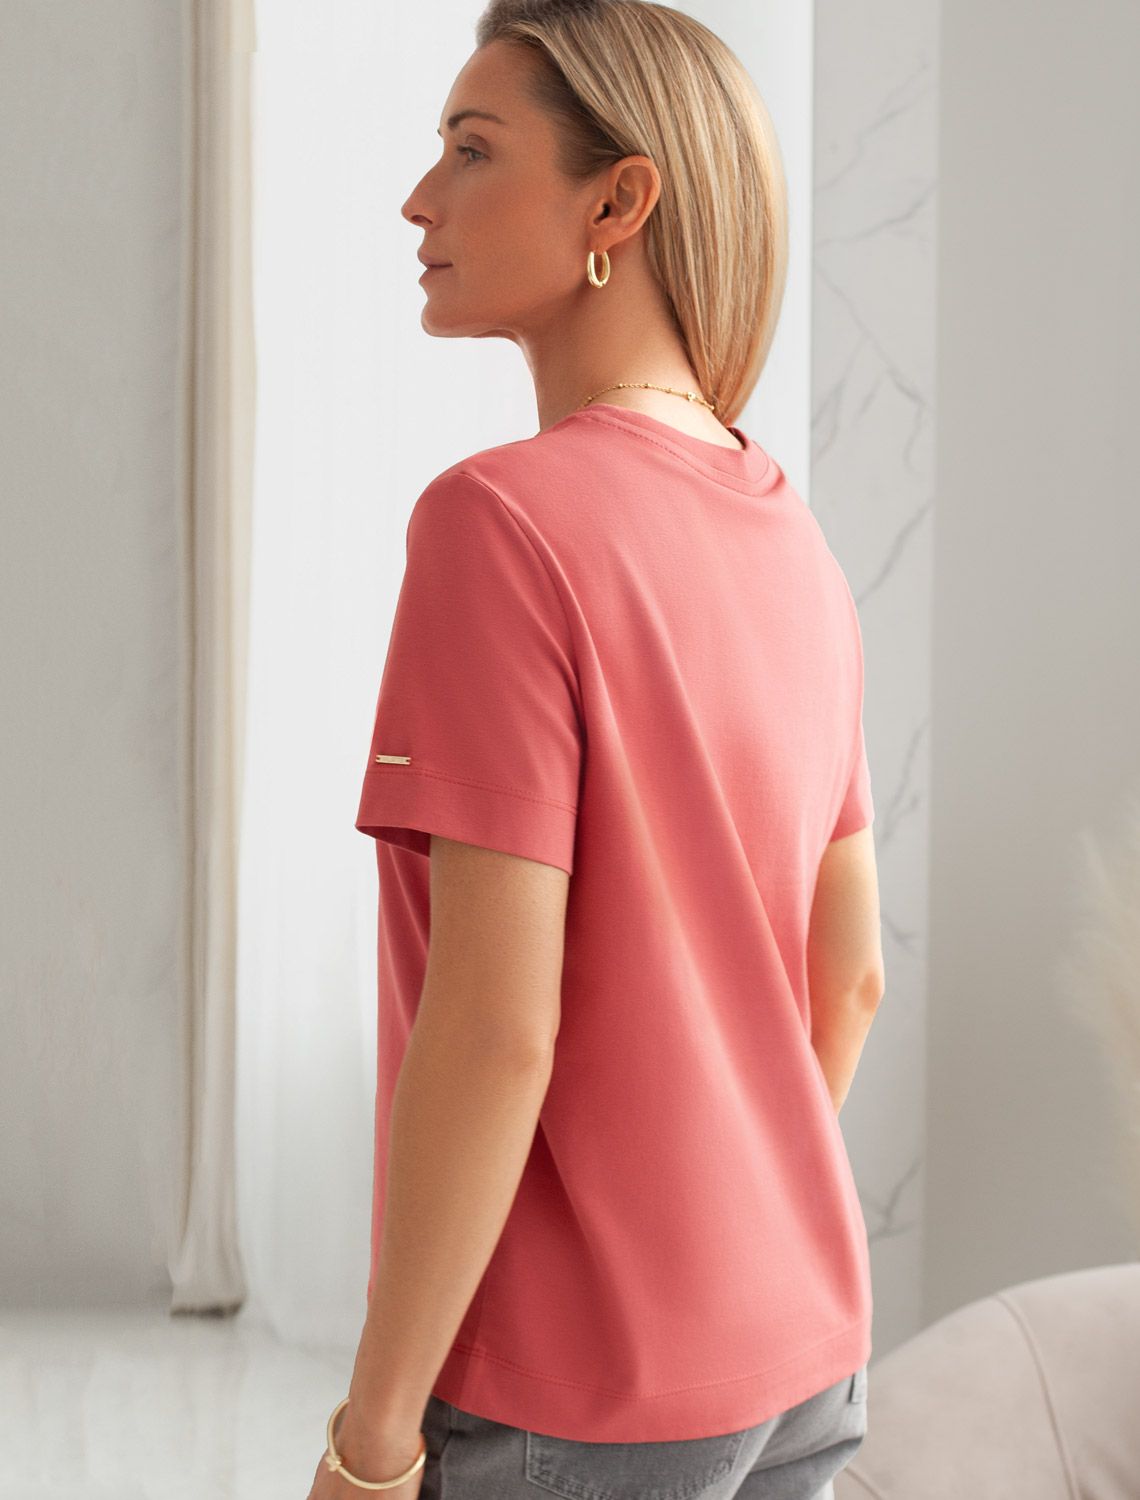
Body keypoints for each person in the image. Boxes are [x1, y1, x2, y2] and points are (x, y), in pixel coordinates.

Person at [308, 3, 884, 1496]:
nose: (419, 199)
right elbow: (850, 978)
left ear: (618, 202)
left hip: (575, 1394)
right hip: (802, 1351)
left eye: (471, 149)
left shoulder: (496, 524)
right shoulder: (796, 541)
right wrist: (718, 1231)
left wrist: (374, 1439)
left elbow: (496, 1027)